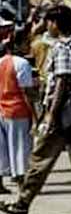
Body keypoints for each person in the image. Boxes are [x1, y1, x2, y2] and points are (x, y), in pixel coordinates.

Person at [0, 5, 71, 214]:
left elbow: (62, 81)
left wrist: (50, 114)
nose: (47, 26)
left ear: (56, 23)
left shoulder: (63, 48)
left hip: (63, 112)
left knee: (40, 157)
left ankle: (23, 202)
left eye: (48, 22)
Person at [0, 23, 36, 194]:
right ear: (18, 45)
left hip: (2, 108)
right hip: (18, 110)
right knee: (20, 147)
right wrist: (35, 115)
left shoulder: (1, 62)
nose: (28, 46)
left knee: (2, 147)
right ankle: (22, 183)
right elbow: (26, 92)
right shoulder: (22, 64)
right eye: (26, 43)